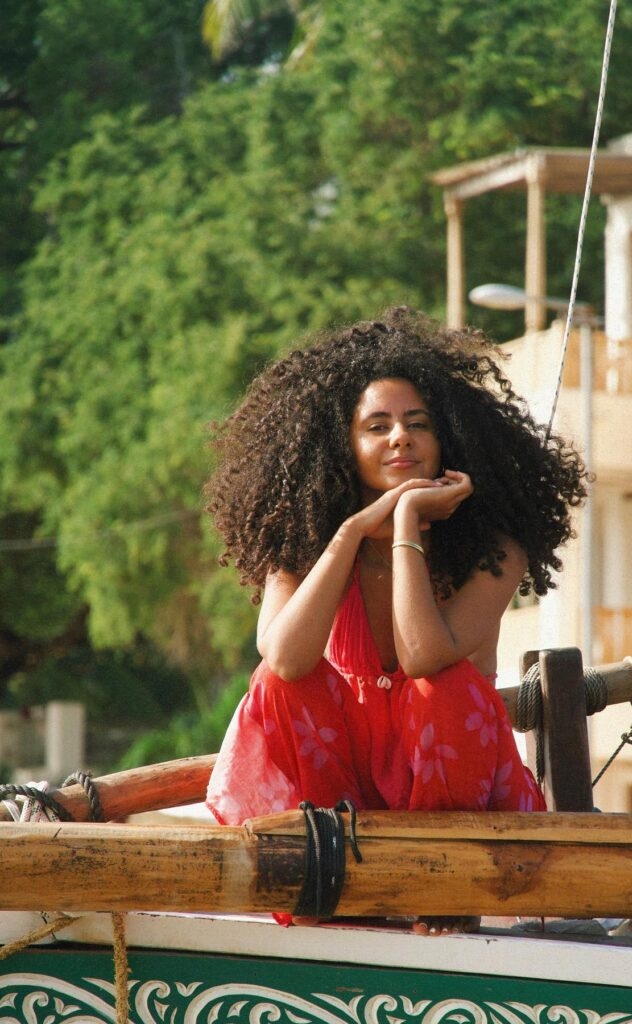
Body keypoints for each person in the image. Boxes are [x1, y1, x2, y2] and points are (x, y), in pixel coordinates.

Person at [205, 307, 588, 934]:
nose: (399, 439)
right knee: (276, 686)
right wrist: (355, 530)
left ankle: (440, 886)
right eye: (376, 426)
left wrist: (406, 523)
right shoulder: (300, 546)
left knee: (446, 686)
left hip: (448, 788)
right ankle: (330, 878)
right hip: (341, 786)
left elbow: (424, 658)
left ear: (449, 441)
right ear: (342, 446)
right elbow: (284, 661)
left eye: (417, 424)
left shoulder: (493, 549)